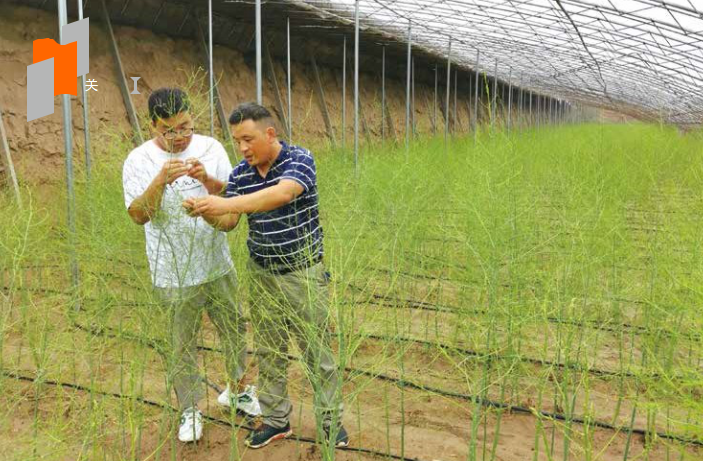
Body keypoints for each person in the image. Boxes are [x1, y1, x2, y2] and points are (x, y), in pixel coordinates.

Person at [183, 102, 348, 449]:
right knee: (270, 351)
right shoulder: (242, 174)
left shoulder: (299, 159)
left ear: (269, 133)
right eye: (236, 142)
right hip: (262, 273)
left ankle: (330, 420)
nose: (242, 149)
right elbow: (229, 222)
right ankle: (275, 420)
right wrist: (206, 210)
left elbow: (282, 193)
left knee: (317, 351)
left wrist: (225, 202)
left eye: (248, 139)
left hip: (301, 272)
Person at [122, 88, 260, 443]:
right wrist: (160, 181)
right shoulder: (138, 161)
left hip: (216, 263)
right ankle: (190, 409)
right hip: (172, 273)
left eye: (185, 126)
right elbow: (139, 215)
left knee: (233, 330)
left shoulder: (211, 148)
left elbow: (232, 200)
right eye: (170, 130)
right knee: (182, 342)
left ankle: (238, 390)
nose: (180, 136)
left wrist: (206, 185)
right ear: (153, 125)